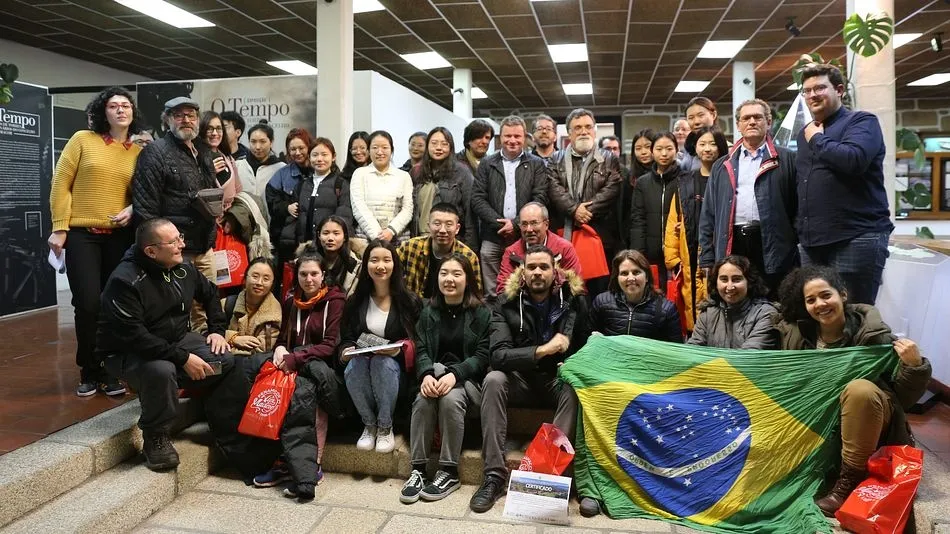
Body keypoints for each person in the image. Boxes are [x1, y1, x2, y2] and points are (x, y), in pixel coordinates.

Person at [776, 265, 931, 515]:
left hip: (867, 423)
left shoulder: (874, 336)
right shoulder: (797, 335)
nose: (820, 304)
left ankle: (848, 483)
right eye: (811, 300)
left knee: (859, 390)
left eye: (826, 295)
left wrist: (915, 366)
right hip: (817, 422)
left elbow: (904, 399)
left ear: (843, 295)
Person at [97, 219, 233, 471]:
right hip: (130, 352)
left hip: (176, 340)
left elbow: (211, 294)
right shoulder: (124, 282)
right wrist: (182, 359)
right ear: (151, 251)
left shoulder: (183, 268)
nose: (182, 244)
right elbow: (137, 338)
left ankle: (171, 393)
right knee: (161, 371)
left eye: (179, 237)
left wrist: (217, 331)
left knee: (223, 360)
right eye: (174, 242)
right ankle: (155, 435)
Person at [471, 245, 588, 514]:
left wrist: (570, 361)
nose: (537, 272)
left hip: (556, 382)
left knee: (573, 386)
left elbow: (586, 345)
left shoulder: (574, 301)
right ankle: (494, 476)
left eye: (543, 267)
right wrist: (541, 351)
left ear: (555, 271)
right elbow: (498, 355)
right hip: (520, 381)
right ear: (522, 273)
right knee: (493, 379)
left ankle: (548, 474)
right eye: (531, 267)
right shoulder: (505, 304)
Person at [49, 86, 142, 397]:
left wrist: (133, 209)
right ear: (104, 111)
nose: (120, 110)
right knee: (88, 304)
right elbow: (61, 183)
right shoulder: (82, 140)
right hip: (81, 235)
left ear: (132, 112)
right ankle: (89, 369)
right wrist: (60, 227)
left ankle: (111, 371)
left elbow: (141, 194)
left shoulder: (138, 152)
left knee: (113, 305)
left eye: (125, 105)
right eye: (113, 105)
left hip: (120, 237)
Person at [796, 64, 893, 305]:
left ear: (839, 90)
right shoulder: (806, 133)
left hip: (856, 236)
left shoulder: (861, 122)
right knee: (818, 315)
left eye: (819, 88)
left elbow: (854, 160)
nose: (812, 95)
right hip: (812, 242)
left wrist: (817, 139)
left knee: (854, 313)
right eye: (806, 91)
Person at [401, 254, 490, 504]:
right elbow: (421, 350)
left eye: (456, 274)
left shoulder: (481, 312)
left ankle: (449, 471)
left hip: (467, 381)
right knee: (422, 399)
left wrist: (456, 374)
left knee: (451, 399)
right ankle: (417, 469)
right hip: (435, 375)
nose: (449, 279)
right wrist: (426, 374)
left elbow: (482, 355)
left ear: (468, 279)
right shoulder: (429, 311)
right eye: (444, 273)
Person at [259, 245, 346, 500]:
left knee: (306, 398)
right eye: (303, 274)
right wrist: (281, 349)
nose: (309, 279)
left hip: (322, 369)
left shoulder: (335, 300)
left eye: (314, 274)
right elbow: (285, 337)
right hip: (294, 364)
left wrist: (295, 357)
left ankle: (310, 465)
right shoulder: (290, 300)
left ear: (323, 276)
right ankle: (287, 462)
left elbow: (330, 345)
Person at [700, 99, 798, 298]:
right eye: (746, 118)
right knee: (736, 300)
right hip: (733, 242)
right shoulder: (722, 165)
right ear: (738, 125)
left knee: (774, 299)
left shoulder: (787, 159)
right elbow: (708, 215)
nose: (752, 122)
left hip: (771, 243)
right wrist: (707, 259)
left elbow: (798, 209)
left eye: (758, 117)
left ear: (768, 122)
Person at [339, 240, 422, 454]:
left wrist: (398, 350)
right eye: (374, 260)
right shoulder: (355, 302)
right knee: (354, 364)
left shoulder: (409, 301)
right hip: (361, 370)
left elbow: (418, 341)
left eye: (387, 260)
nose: (380, 266)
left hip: (395, 372)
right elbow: (347, 338)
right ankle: (369, 425)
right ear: (366, 265)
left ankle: (385, 427)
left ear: (395, 265)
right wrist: (346, 351)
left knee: (382, 362)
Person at [133, 96, 227, 286]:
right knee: (179, 308)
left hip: (205, 248)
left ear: (198, 120)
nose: (186, 120)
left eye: (191, 115)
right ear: (167, 120)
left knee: (208, 305)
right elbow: (146, 209)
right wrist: (161, 249)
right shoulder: (155, 153)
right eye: (179, 115)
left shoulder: (203, 151)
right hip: (176, 251)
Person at [471, 115, 549, 296]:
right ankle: (495, 320)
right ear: (500, 137)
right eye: (507, 136)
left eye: (517, 136)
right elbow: (477, 198)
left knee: (523, 283)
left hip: (524, 235)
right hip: (492, 234)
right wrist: (499, 223)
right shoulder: (487, 163)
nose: (512, 140)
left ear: (524, 138)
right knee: (491, 290)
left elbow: (540, 198)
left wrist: (514, 224)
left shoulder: (536, 164)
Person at [548, 108, 624, 294]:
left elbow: (612, 188)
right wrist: (574, 210)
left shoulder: (609, 159)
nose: (584, 131)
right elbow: (553, 188)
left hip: (600, 235)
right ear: (569, 132)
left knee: (600, 291)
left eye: (588, 127)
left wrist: (585, 211)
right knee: (568, 291)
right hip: (565, 235)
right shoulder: (554, 160)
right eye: (578, 127)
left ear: (594, 130)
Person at [664, 126, 727, 331]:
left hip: (720, 247)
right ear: (695, 148)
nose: (707, 149)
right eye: (702, 144)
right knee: (691, 300)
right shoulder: (685, 181)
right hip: (689, 250)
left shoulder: (728, 178)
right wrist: (672, 258)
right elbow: (674, 220)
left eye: (712, 144)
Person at [687, 255, 779, 349]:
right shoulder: (707, 314)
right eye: (724, 279)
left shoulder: (765, 314)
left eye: (736, 279)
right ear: (716, 282)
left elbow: (750, 356)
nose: (730, 286)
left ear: (749, 282)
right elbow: (693, 351)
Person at [589, 249, 681, 341]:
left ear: (647, 277)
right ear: (617, 278)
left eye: (636, 272)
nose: (631, 278)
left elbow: (675, 350)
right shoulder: (601, 302)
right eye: (624, 273)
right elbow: (586, 340)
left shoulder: (667, 309)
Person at [266, 128, 317, 287]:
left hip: (313, 235)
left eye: (301, 148)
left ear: (309, 147)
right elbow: (271, 200)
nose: (297, 152)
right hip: (287, 239)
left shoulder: (319, 169)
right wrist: (286, 207)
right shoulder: (282, 174)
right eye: (292, 149)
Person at [398, 203, 481, 299]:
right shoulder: (410, 247)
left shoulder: (468, 256)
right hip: (414, 307)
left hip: (452, 308)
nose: (442, 230)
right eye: (437, 224)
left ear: (457, 228)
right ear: (429, 226)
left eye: (448, 225)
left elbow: (475, 294)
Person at [496, 202, 582, 293]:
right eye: (524, 224)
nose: (529, 229)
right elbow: (502, 290)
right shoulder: (511, 252)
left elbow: (576, 286)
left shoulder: (564, 248)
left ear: (546, 224)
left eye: (534, 223)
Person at [630, 131, 680, 288]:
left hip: (678, 252)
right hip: (651, 252)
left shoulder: (686, 179)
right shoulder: (643, 183)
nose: (664, 153)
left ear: (677, 150)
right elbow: (638, 219)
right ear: (652, 151)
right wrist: (638, 253)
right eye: (659, 149)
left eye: (669, 148)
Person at [410, 127, 476, 246]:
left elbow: (470, 214)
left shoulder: (462, 172)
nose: (439, 148)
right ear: (427, 146)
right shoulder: (416, 172)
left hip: (450, 239)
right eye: (434, 143)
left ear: (450, 147)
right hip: (420, 238)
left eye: (444, 144)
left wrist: (470, 245)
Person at [350, 130, 414, 250]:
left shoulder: (403, 176)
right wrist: (378, 236)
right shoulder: (360, 174)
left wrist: (391, 230)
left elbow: (407, 209)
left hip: (398, 237)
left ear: (391, 150)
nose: (380, 152)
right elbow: (358, 206)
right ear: (368, 151)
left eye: (385, 147)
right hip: (366, 238)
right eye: (375, 147)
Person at [222, 257, 282, 357]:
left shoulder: (273, 315)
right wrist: (234, 339)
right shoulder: (227, 304)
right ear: (245, 278)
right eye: (255, 276)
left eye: (266, 279)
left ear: (272, 284)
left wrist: (228, 343)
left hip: (253, 368)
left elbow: (262, 349)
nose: (259, 283)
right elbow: (210, 334)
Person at [618, 128, 655, 249]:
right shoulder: (629, 176)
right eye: (638, 148)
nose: (643, 152)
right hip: (636, 235)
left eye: (647, 147)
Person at [198, 111, 242, 212]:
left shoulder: (228, 158)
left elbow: (238, 190)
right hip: (207, 217)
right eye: (209, 129)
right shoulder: (194, 157)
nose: (214, 133)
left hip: (231, 218)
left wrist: (234, 217)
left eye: (218, 128)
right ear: (201, 130)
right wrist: (209, 173)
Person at [236, 120, 286, 198]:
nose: (257, 147)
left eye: (262, 141)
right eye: (253, 142)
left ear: (271, 142)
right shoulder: (238, 165)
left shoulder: (281, 168)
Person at [314, 215, 361, 296]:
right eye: (326, 233)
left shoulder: (357, 266)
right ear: (319, 235)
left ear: (345, 237)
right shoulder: (304, 262)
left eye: (336, 233)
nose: (330, 238)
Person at [679, 97, 718, 171]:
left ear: (713, 115)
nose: (696, 122)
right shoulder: (689, 145)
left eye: (701, 115)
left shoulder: (724, 147)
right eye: (691, 118)